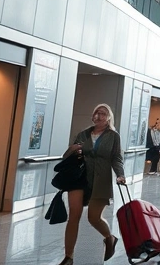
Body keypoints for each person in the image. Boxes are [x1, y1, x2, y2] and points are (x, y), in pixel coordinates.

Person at [57, 103, 125, 265]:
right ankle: (68, 257)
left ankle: (110, 238)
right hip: (79, 178)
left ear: (108, 117)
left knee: (93, 217)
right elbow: (67, 156)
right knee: (73, 216)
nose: (98, 116)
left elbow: (116, 157)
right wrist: (74, 149)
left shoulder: (113, 136)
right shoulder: (83, 134)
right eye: (96, 113)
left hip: (101, 179)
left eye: (102, 113)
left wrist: (120, 174)